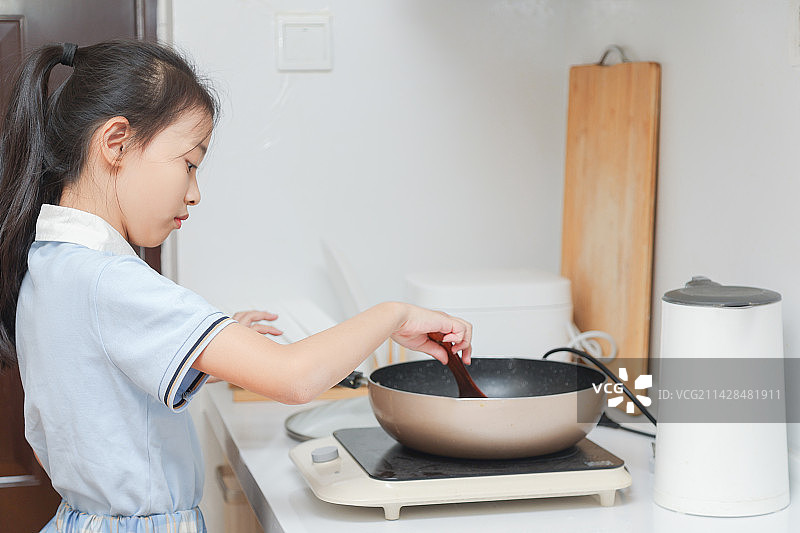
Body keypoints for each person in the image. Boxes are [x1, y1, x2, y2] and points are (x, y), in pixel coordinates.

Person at [0, 40, 472, 533]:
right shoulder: (109, 281)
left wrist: (210, 346)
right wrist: (395, 314)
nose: (195, 192)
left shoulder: (50, 263)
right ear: (116, 142)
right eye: (189, 164)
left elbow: (96, 391)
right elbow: (296, 379)